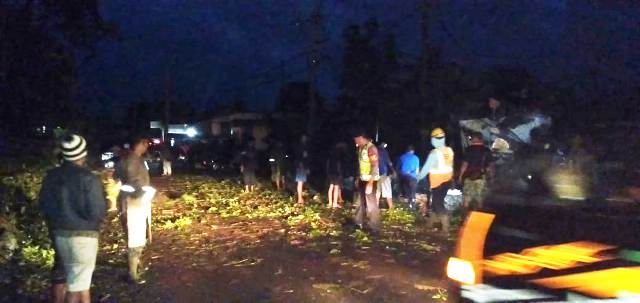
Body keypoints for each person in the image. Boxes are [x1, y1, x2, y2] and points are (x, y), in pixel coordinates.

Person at [39, 134, 107, 303]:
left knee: (79, 283)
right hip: (84, 236)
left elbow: (45, 206)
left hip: (60, 234)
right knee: (76, 287)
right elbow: (96, 212)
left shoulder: (51, 176)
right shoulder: (89, 178)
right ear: (83, 154)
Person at [113, 137, 156, 284]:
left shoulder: (130, 159)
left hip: (132, 200)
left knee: (135, 235)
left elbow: (115, 177)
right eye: (146, 144)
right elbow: (133, 183)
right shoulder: (132, 160)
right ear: (141, 143)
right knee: (135, 235)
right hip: (134, 201)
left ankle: (136, 265)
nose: (147, 147)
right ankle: (132, 273)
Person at [418, 128, 454, 234]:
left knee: (438, 204)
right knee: (435, 203)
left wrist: (418, 177)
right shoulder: (449, 150)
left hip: (438, 182)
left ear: (434, 139)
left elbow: (426, 168)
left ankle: (446, 227)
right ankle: (430, 223)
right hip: (447, 181)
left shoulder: (435, 153)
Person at [353, 131, 381, 232]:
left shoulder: (371, 148)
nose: (355, 141)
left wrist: (370, 182)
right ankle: (358, 223)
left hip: (371, 181)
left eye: (356, 139)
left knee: (371, 204)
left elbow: (375, 166)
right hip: (362, 179)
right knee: (360, 202)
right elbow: (360, 165)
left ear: (361, 137)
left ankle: (374, 227)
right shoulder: (361, 148)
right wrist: (358, 177)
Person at [458, 132, 494, 210]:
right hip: (481, 177)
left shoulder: (469, 150)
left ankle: (465, 217)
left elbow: (464, 165)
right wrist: (491, 177)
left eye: (472, 138)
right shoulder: (487, 150)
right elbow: (490, 166)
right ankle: (478, 216)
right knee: (480, 199)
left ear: (475, 139)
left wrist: (460, 176)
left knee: (467, 198)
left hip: (469, 177)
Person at [397, 145, 420, 210]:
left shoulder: (402, 157)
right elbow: (417, 170)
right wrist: (417, 178)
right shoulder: (416, 158)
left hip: (404, 177)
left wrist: (399, 176)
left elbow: (398, 168)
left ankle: (407, 206)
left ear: (407, 150)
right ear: (412, 151)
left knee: (407, 191)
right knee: (413, 192)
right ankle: (412, 206)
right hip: (413, 177)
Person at [326, 144, 345, 208]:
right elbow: (338, 166)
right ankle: (334, 203)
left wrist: (328, 173)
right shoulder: (338, 156)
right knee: (336, 188)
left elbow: (327, 165)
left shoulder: (330, 156)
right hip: (336, 174)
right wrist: (340, 174)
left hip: (330, 173)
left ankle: (330, 203)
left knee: (331, 187)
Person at [376, 142, 395, 209]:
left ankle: (375, 209)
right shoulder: (384, 152)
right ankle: (391, 208)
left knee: (377, 193)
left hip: (375, 174)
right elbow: (389, 162)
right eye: (384, 144)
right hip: (384, 174)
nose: (385, 146)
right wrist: (393, 171)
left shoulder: (374, 150)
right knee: (388, 192)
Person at [294, 135, 310, 204]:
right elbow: (302, 158)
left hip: (301, 167)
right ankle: (300, 199)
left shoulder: (302, 147)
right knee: (300, 183)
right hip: (301, 167)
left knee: (300, 183)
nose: (305, 139)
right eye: (304, 138)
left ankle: (300, 198)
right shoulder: (301, 147)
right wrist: (304, 167)